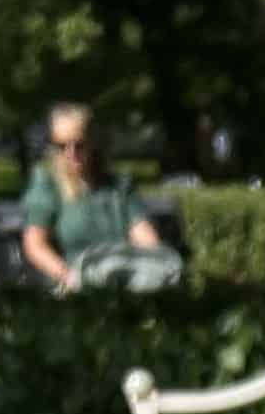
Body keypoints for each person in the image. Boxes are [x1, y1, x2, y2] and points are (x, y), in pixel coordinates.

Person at [20, 104, 168, 291]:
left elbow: (146, 239)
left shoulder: (118, 186)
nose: (71, 153)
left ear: (92, 143)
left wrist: (156, 266)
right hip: (73, 285)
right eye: (61, 146)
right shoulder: (46, 184)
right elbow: (35, 245)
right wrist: (69, 277)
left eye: (78, 145)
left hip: (122, 280)